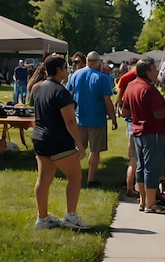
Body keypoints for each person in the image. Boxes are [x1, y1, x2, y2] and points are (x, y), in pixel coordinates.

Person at [32, 55, 90, 231]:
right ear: (58, 69)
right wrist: (79, 143)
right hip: (58, 140)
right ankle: (71, 216)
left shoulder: (38, 88)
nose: (68, 69)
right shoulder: (61, 92)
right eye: (65, 67)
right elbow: (70, 121)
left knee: (43, 179)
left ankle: (42, 219)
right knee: (75, 177)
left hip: (40, 138)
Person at [121, 58, 165, 214]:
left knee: (141, 167)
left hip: (138, 132)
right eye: (155, 69)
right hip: (153, 132)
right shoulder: (149, 89)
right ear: (147, 72)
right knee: (152, 168)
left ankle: (143, 201)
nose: (157, 71)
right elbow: (158, 113)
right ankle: (151, 203)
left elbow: (125, 112)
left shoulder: (131, 85)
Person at [66, 51, 118, 188]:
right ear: (96, 62)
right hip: (96, 119)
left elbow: (69, 96)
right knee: (95, 151)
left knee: (77, 149)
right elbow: (107, 101)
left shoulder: (74, 75)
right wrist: (113, 118)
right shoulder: (102, 78)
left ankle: (75, 177)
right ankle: (91, 179)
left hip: (79, 118)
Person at [116, 58, 139, 197]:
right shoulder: (135, 82)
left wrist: (120, 110)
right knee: (135, 159)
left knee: (133, 157)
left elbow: (120, 102)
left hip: (131, 122)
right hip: (137, 124)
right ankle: (130, 187)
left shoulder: (126, 81)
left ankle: (130, 185)